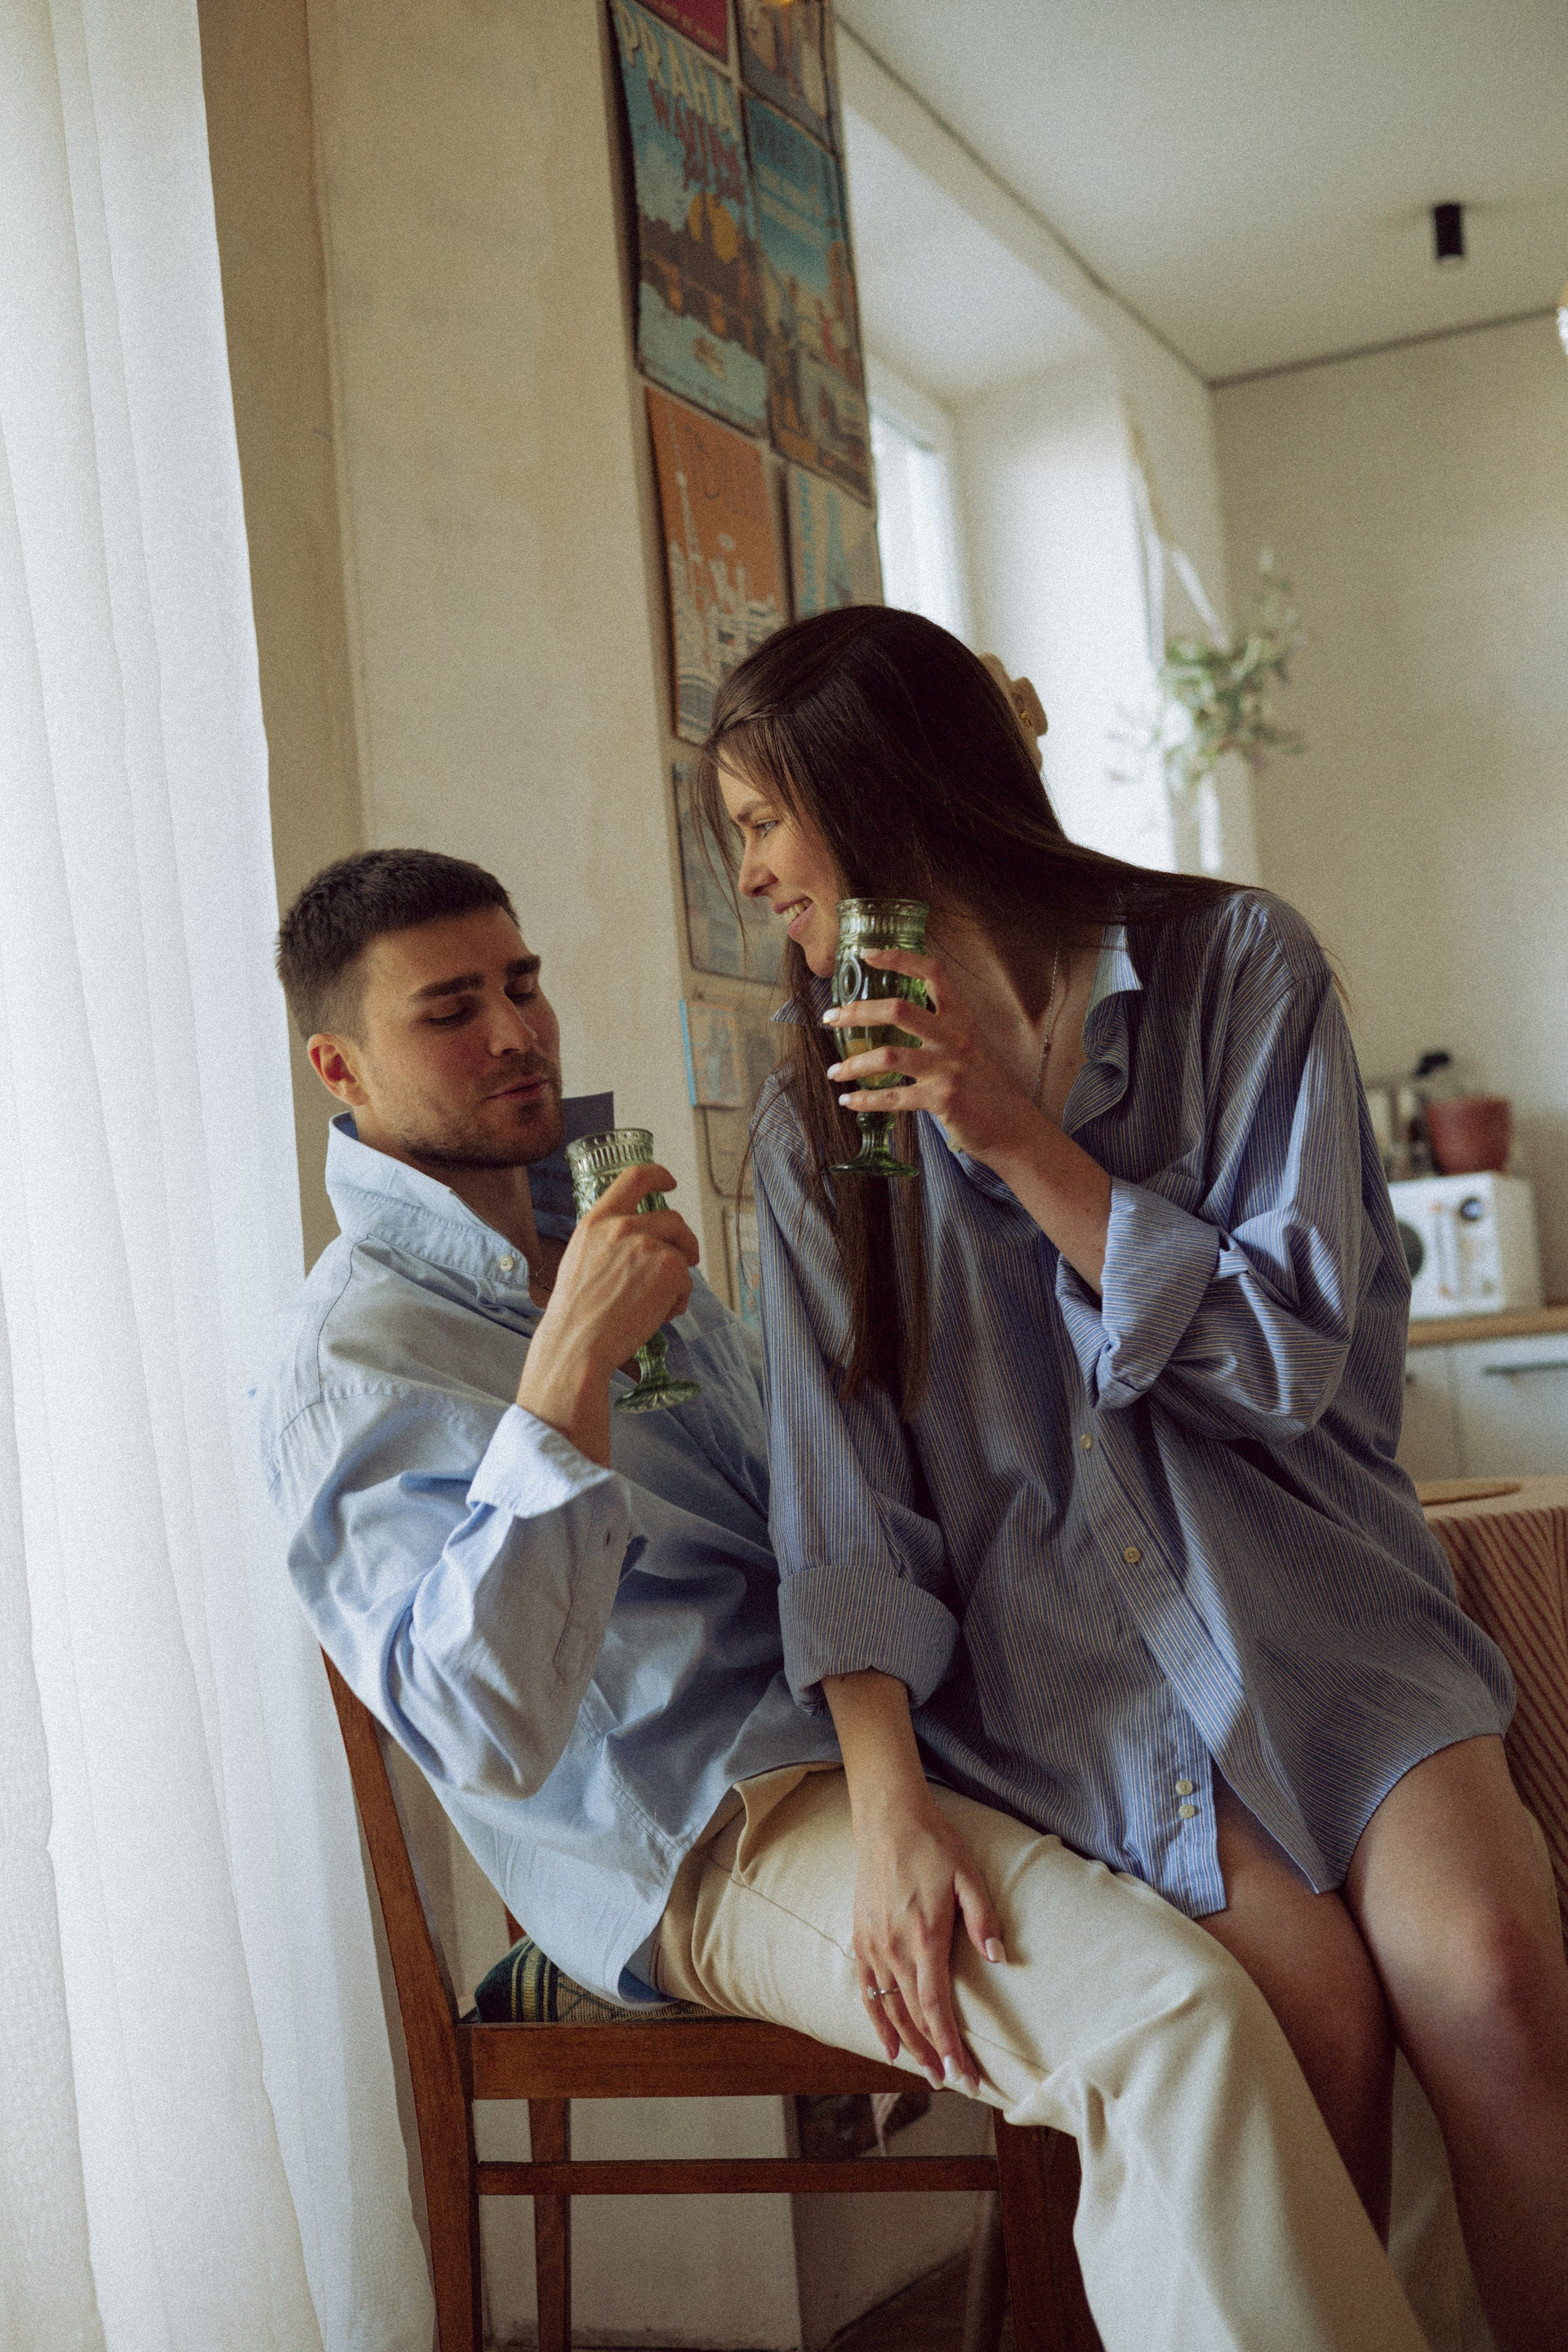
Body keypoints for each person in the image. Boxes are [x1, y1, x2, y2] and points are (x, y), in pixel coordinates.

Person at [254, 845, 1437, 2352]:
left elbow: (815, 1512)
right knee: (1173, 2022)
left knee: (1335, 1956)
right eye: (450, 1011)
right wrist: (565, 1377)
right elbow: (480, 1729)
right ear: (339, 1067)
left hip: (893, 1734)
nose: (515, 1033)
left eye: (523, 984)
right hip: (707, 1817)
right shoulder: (346, 1360)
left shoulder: (603, 1224)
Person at [701, 605, 1568, 2352]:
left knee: (1491, 1981)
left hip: (1324, 1614)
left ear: (880, 791)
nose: (751, 877)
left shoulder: (1240, 969)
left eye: (761, 821)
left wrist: (1015, 1139)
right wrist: (889, 1809)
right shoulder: (811, 1132)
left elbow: (1294, 1356)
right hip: (1072, 1682)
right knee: (1307, 2028)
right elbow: (839, 1502)